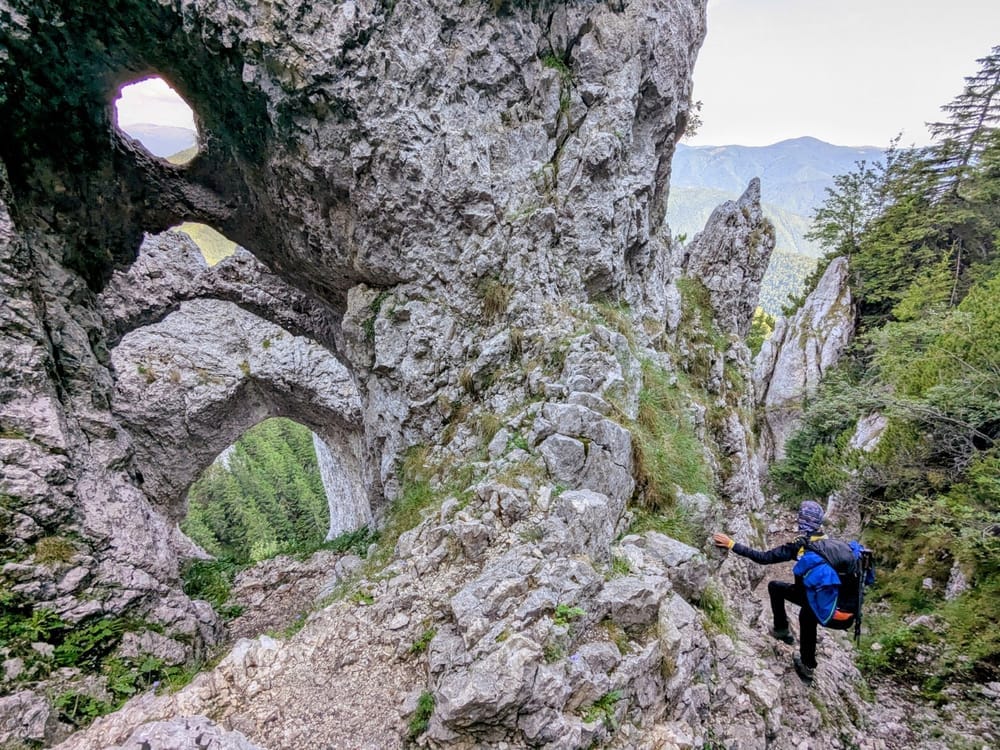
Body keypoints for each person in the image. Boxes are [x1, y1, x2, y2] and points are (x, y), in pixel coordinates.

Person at [712, 500, 828, 683]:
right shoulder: (828, 541)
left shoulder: (801, 545)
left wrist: (732, 544)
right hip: (830, 598)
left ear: (802, 520)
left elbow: (763, 558)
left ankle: (806, 666)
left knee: (806, 617)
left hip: (811, 598)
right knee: (776, 587)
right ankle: (783, 632)